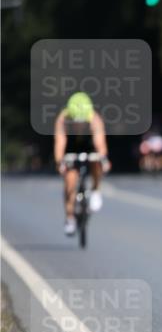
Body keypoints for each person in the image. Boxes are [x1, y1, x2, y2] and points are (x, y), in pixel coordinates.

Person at [53, 92, 110, 235]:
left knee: (97, 162)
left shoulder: (94, 119)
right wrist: (60, 162)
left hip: (88, 146)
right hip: (71, 148)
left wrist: (103, 159)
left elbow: (100, 144)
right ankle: (70, 217)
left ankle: (96, 191)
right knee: (70, 182)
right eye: (75, 121)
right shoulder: (63, 120)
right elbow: (60, 144)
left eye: (82, 121)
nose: (78, 124)